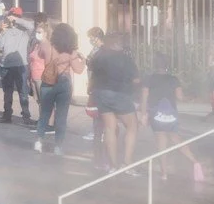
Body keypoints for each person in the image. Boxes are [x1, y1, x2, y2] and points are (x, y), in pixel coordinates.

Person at [85, 26, 139, 170]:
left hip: (101, 94)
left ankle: (113, 165)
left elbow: (92, 76)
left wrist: (91, 91)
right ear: (116, 44)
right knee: (132, 126)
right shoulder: (125, 58)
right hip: (119, 94)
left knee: (109, 128)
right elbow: (136, 80)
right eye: (120, 43)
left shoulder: (99, 57)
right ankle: (127, 163)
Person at [35, 23, 80, 151]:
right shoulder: (71, 51)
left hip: (48, 83)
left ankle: (39, 141)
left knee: (44, 113)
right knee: (61, 117)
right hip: (64, 83)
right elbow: (78, 70)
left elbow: (44, 59)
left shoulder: (49, 47)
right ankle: (58, 146)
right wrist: (82, 60)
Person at [0, 13, 32, 124]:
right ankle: (7, 115)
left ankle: (26, 116)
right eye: (10, 17)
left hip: (20, 65)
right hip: (6, 66)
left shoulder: (25, 32)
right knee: (7, 92)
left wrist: (17, 20)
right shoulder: (5, 32)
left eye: (15, 17)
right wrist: (1, 31)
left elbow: (31, 26)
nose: (11, 20)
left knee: (23, 92)